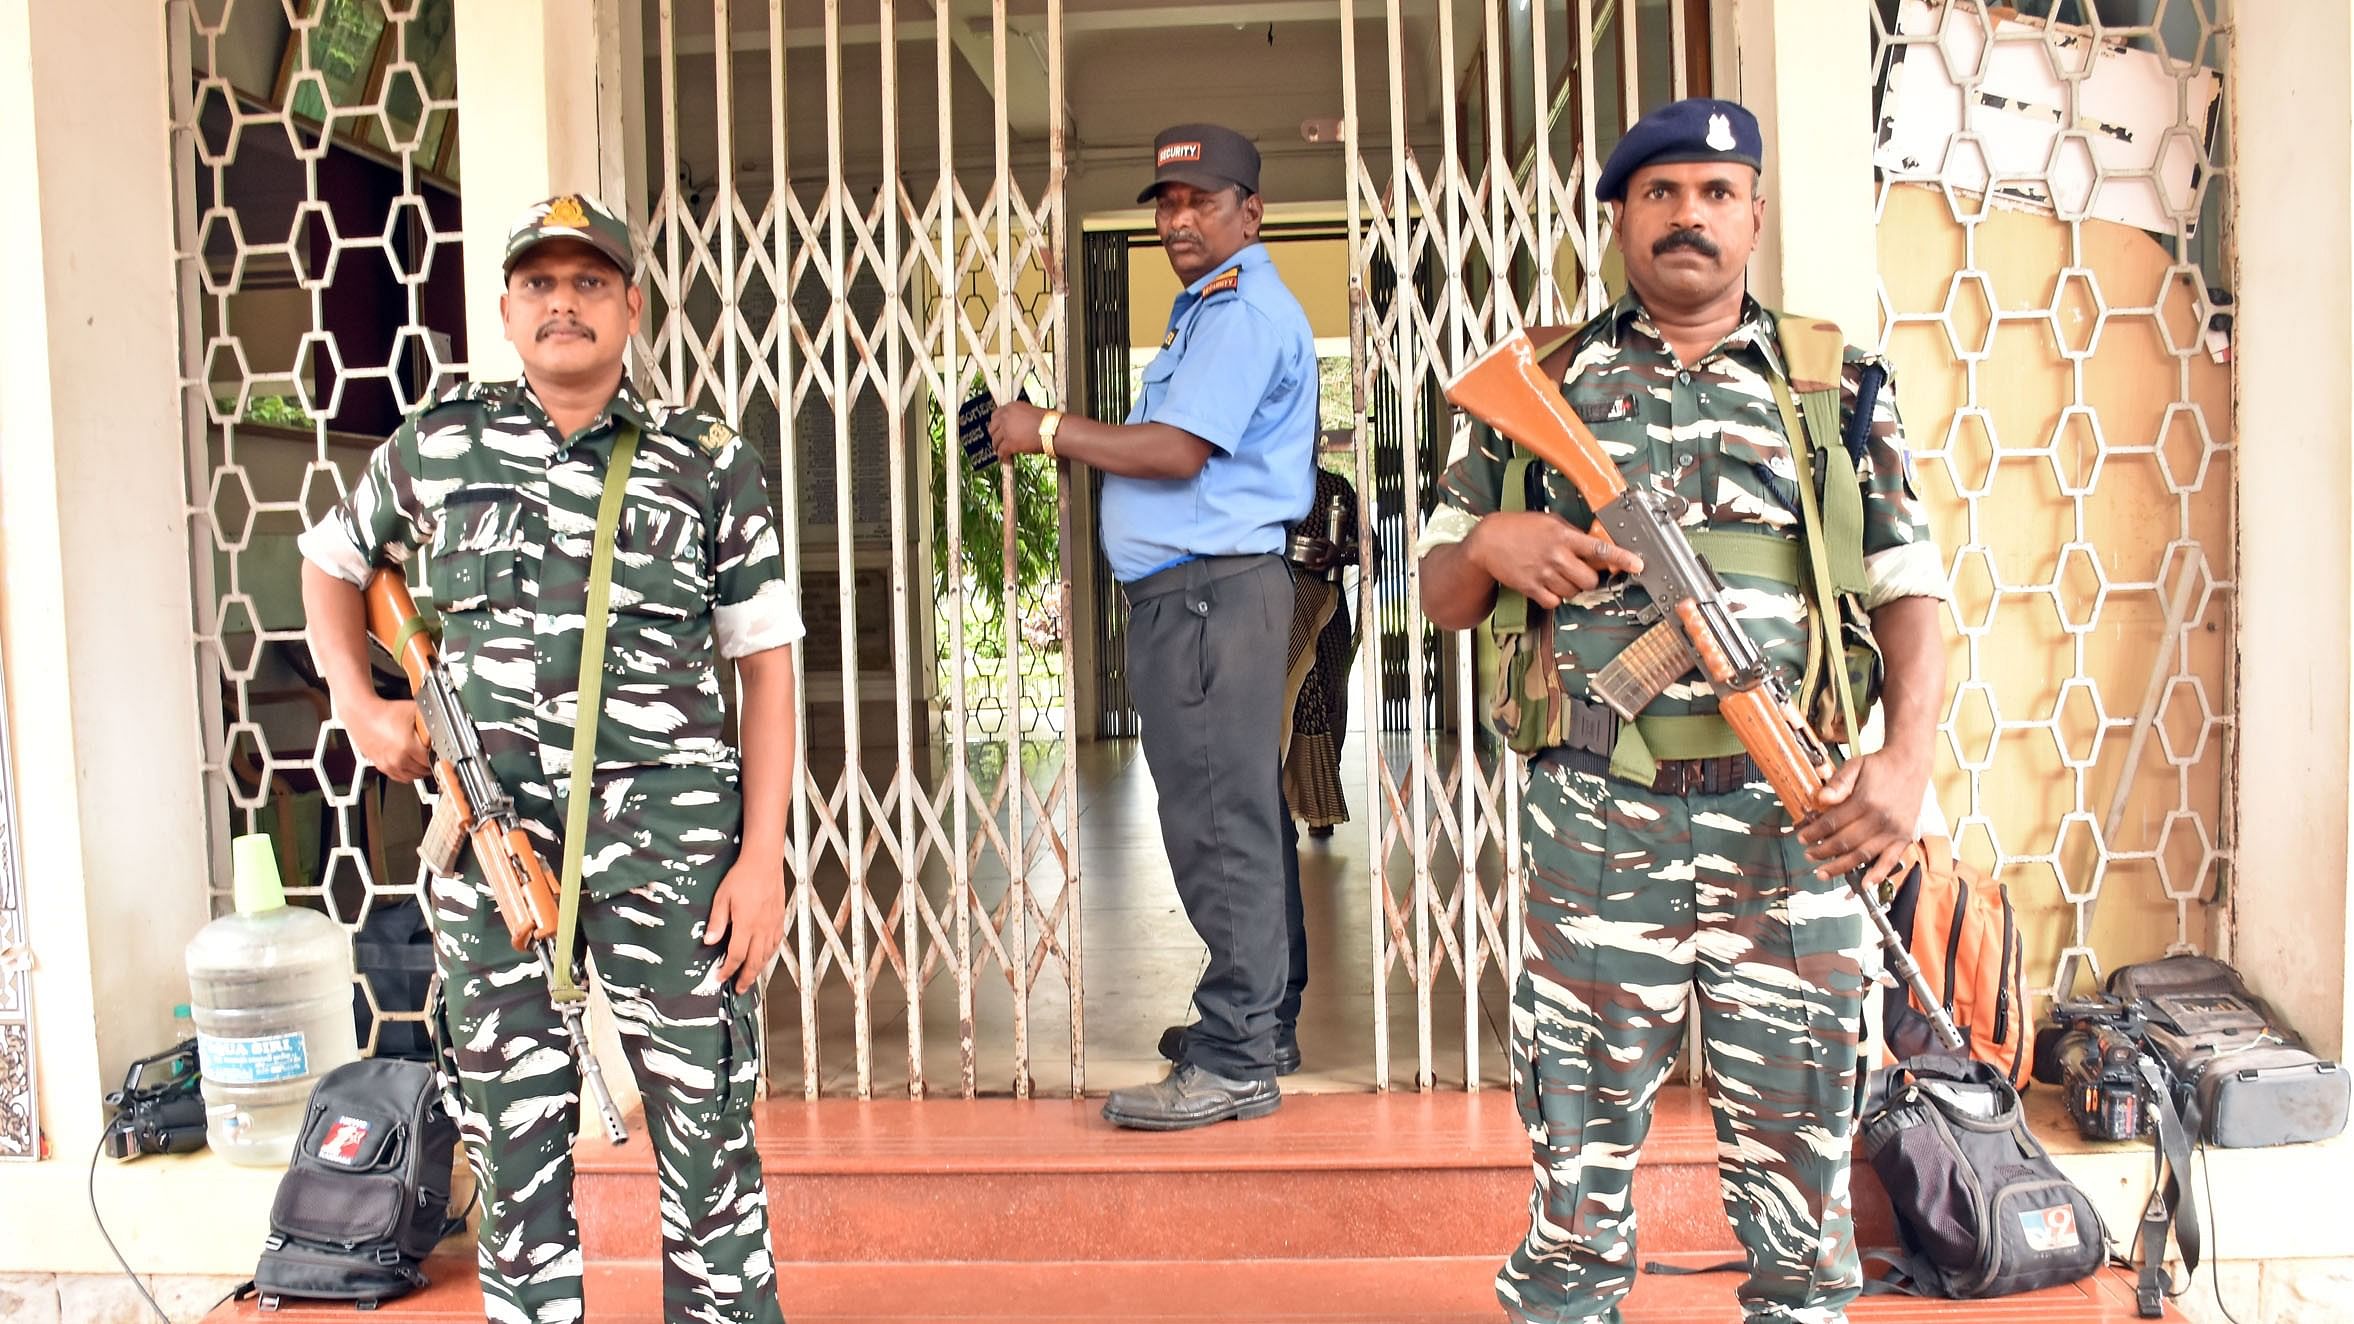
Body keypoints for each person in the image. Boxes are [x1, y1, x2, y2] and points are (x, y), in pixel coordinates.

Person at [1415, 98, 1948, 1324]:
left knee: (1801, 1155)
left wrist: (1903, 760)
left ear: (1753, 213)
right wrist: (1494, 539)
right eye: (1659, 193)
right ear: (1618, 215)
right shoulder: (1541, 380)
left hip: (1793, 820)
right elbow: (1440, 590)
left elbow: (1906, 584)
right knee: (1577, 1147)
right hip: (1597, 818)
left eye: (1715, 192)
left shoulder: (1833, 381)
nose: (1688, 216)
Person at [297, 193, 803, 1324]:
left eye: (587, 283)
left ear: (630, 305)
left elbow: (764, 666)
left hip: (677, 872)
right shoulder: (439, 442)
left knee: (708, 1152)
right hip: (490, 870)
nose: (561, 303)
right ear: (507, 306)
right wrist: (361, 707)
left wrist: (761, 856)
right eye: (539, 283)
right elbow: (331, 563)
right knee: (514, 1165)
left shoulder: (707, 460)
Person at [991, 123, 1314, 1128]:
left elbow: (1175, 451)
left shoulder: (1242, 311)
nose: (1178, 220)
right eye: (1166, 204)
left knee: (1219, 827)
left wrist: (1039, 429)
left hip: (1212, 598)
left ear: (1248, 210)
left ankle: (1234, 1057)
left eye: (1200, 201)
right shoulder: (1210, 311)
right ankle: (1261, 1021)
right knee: (1239, 816)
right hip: (1203, 596)